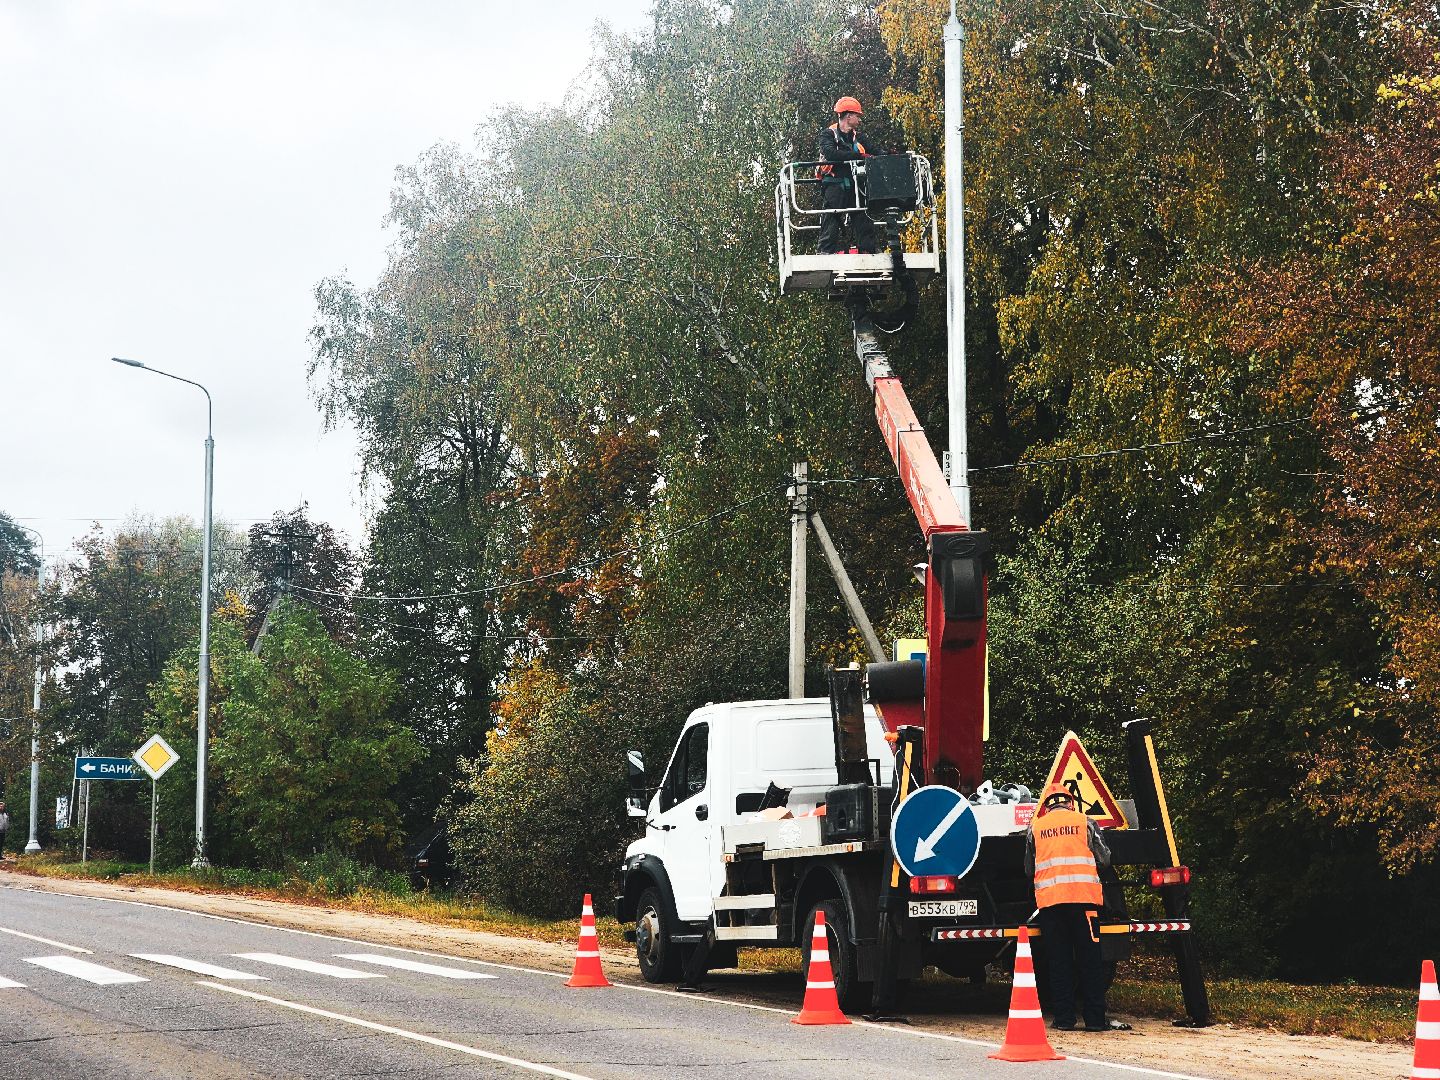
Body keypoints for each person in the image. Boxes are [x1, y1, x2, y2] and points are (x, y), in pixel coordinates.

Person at [1024, 782, 1132, 1032]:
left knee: (1058, 961)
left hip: (1051, 905)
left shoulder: (1035, 828)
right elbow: (1104, 859)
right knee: (1090, 960)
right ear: (1070, 802)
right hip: (1084, 903)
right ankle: (1095, 1020)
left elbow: (1029, 869)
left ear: (1046, 806)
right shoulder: (1086, 822)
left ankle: (1064, 1020)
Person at [816, 96, 878, 254]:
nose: (859, 119)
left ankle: (867, 250)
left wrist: (890, 154)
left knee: (862, 213)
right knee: (832, 215)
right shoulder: (828, 135)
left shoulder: (859, 137)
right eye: (857, 116)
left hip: (855, 183)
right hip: (834, 182)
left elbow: (874, 150)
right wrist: (858, 156)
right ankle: (825, 251)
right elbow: (831, 153)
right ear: (848, 116)